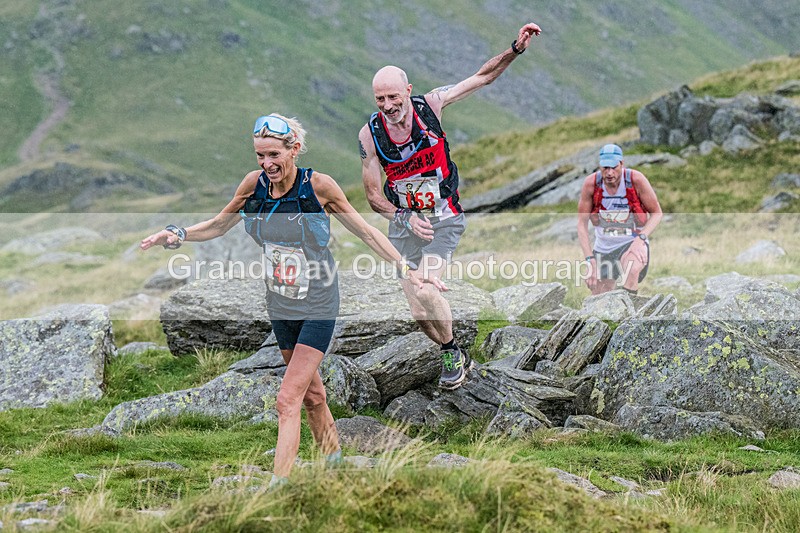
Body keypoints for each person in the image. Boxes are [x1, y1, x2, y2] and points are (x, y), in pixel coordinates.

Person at [140, 113, 423, 487]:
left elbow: (367, 232)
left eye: (274, 154)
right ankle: (336, 468)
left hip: (320, 302)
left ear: (295, 149)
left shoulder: (318, 187)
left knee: (287, 399)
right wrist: (178, 232)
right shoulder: (253, 186)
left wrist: (406, 268)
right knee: (312, 395)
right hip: (281, 304)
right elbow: (219, 224)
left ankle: (278, 490)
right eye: (260, 155)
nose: (266, 164)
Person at [358, 22, 542, 390]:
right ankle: (452, 348)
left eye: (394, 97)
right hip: (404, 225)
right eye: (381, 99)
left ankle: (452, 352)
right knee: (417, 311)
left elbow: (482, 77)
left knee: (426, 289)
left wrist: (515, 49)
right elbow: (373, 196)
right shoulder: (370, 135)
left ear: (407, 91)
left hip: (444, 218)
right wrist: (404, 217)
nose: (389, 106)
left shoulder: (431, 106)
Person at [577, 143, 663, 295]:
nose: (609, 173)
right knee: (599, 298)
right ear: (599, 166)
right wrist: (590, 260)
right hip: (604, 247)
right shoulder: (591, 184)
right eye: (605, 168)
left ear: (621, 164)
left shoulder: (636, 180)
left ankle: (629, 315)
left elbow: (657, 213)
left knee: (632, 268)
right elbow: (582, 225)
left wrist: (640, 239)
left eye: (614, 167)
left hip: (631, 243)